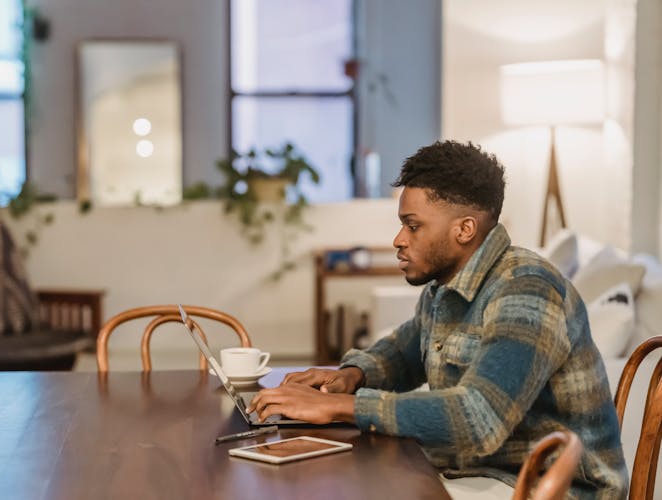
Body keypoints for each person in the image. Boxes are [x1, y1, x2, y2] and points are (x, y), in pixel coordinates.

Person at [248, 140, 628, 499]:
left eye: (412, 226)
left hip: (547, 489)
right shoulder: (447, 285)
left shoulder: (526, 290)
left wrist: (341, 406)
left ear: (464, 229)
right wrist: (351, 376)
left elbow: (479, 419)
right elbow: (406, 350)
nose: (399, 239)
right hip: (480, 472)